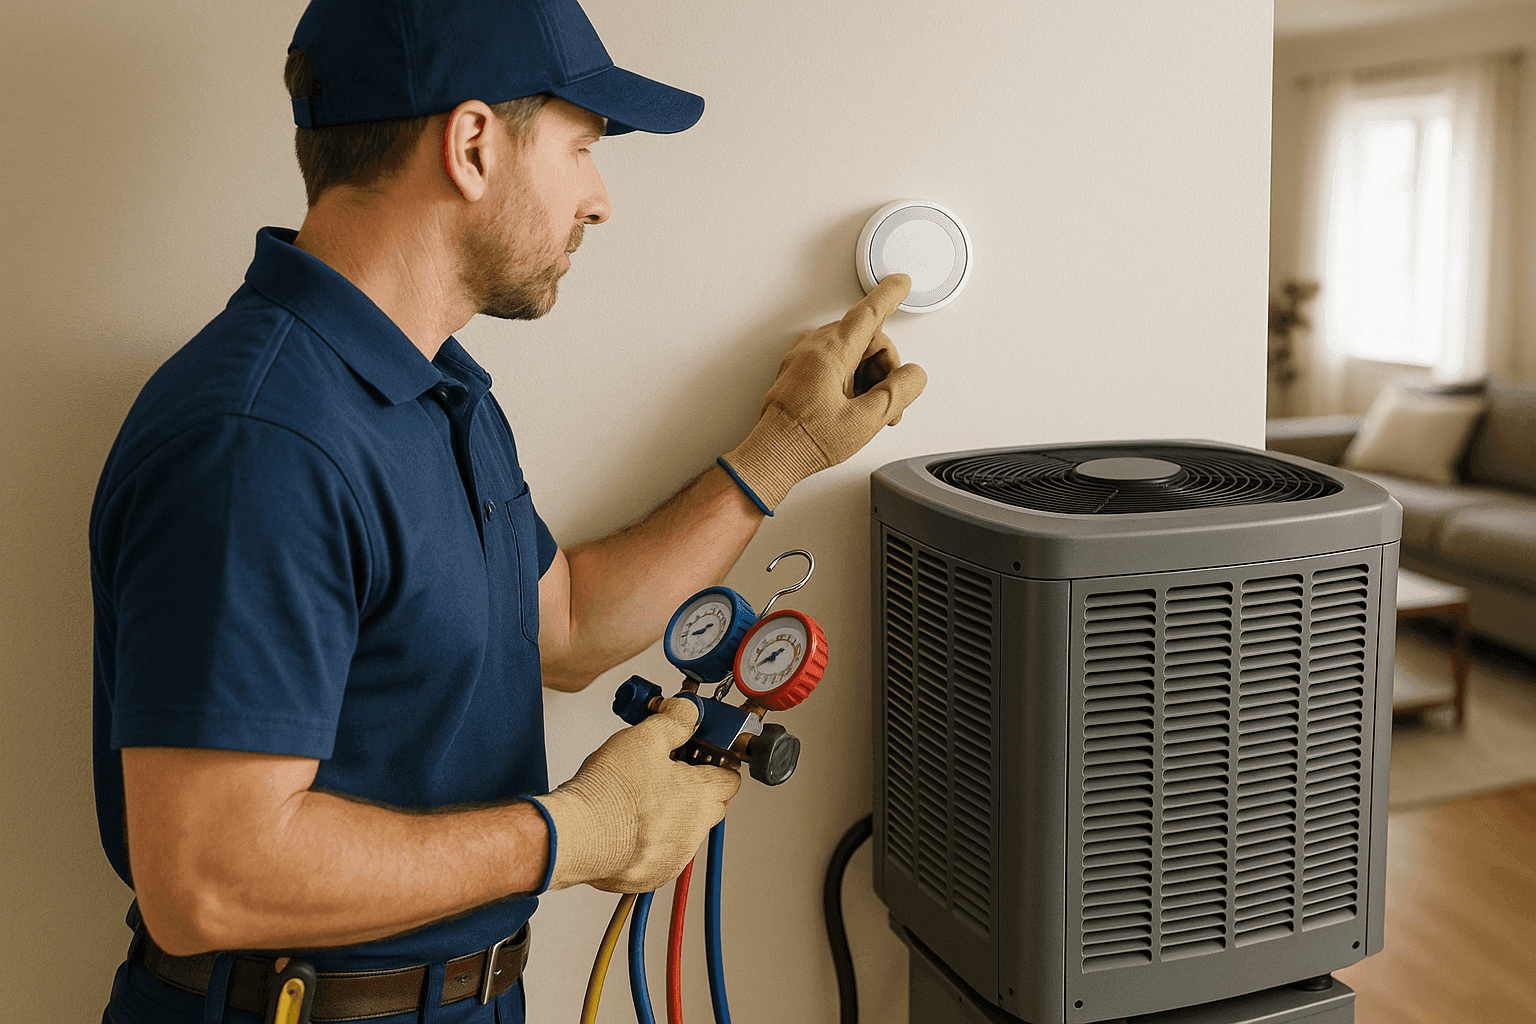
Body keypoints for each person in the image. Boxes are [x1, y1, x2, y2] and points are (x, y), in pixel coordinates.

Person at [89, 0, 926, 1021]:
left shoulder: (436, 393)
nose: (601, 199)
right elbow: (206, 878)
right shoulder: (261, 436)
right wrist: (576, 831)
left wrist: (781, 450)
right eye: (582, 148)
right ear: (473, 143)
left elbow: (564, 626)